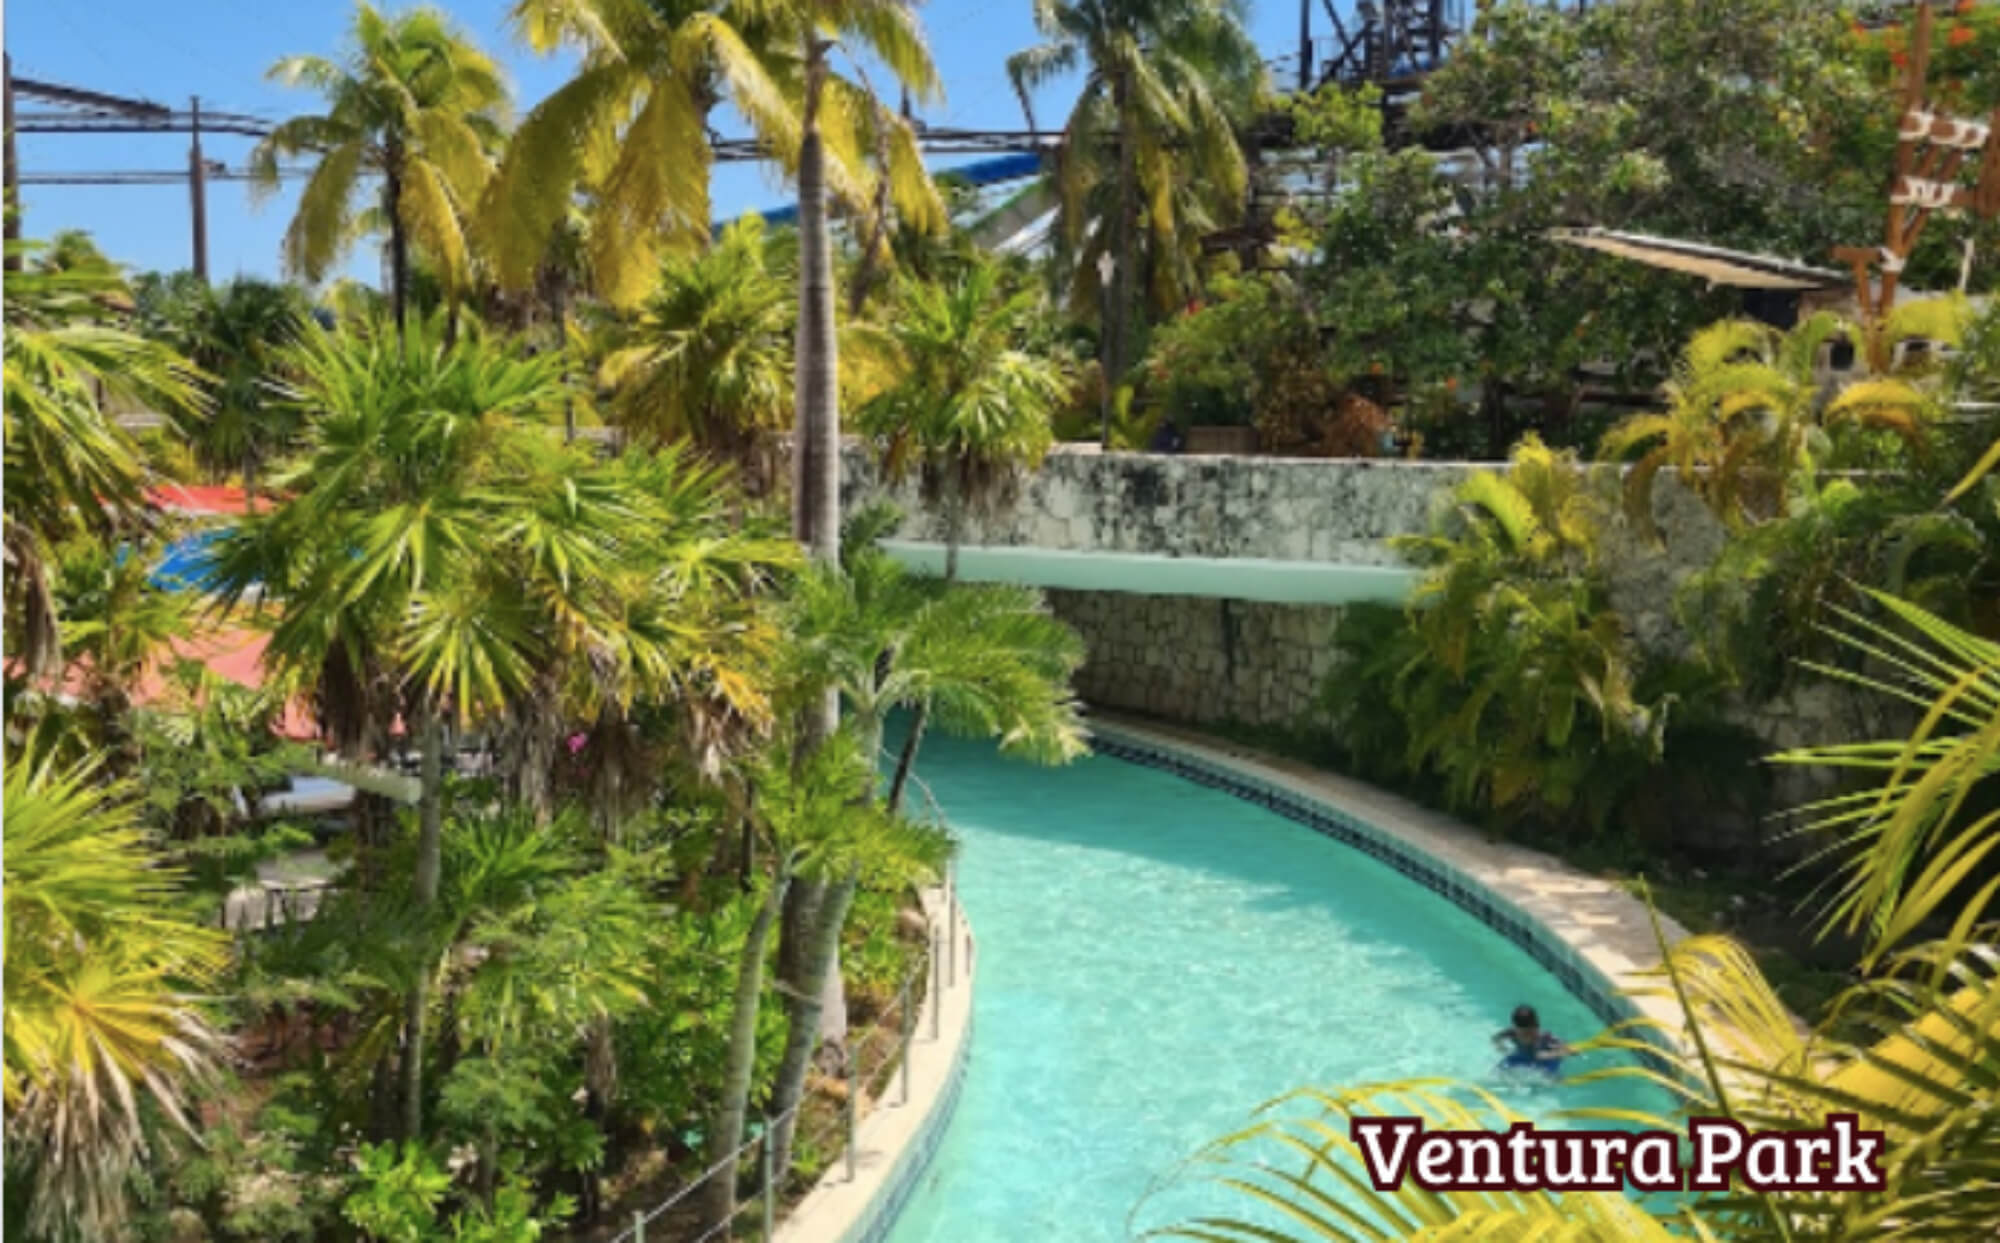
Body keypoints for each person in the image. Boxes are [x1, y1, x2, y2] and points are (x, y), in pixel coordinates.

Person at [1493, 1004, 1568, 1072]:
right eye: (1524, 1033)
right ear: (1515, 1027)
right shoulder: (1512, 1032)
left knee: (1550, 1070)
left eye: (1530, 1031)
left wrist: (1558, 1053)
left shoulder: (1542, 1036)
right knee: (1500, 1069)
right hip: (1524, 1056)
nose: (1528, 1035)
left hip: (1545, 1058)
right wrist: (1500, 1047)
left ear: (1535, 1026)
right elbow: (1495, 1038)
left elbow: (1561, 1046)